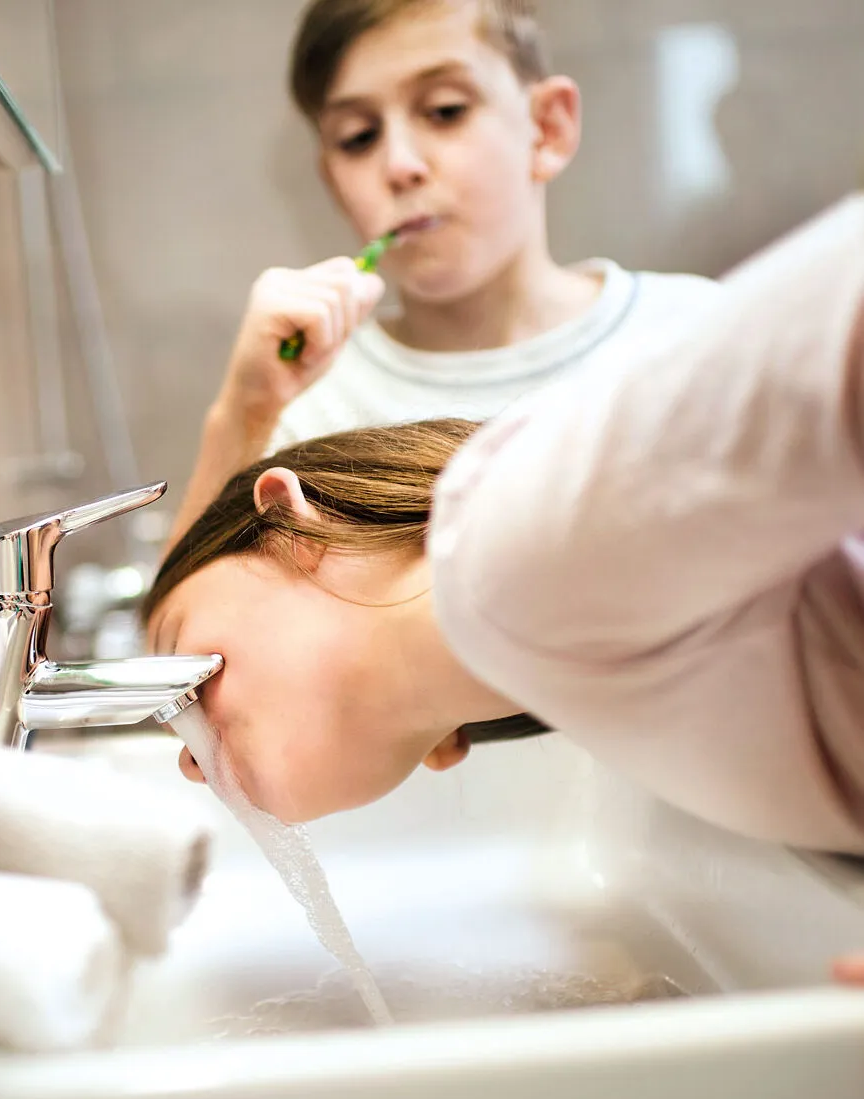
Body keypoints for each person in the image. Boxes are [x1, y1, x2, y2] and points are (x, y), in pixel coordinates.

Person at [144, 194, 864, 858]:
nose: (185, 752)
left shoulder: (507, 552)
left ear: (295, 531)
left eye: (181, 660)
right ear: (446, 747)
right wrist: (240, 414)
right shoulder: (554, 651)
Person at [168, 0, 718, 546]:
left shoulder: (698, 334)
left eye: (445, 110)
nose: (399, 165)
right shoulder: (304, 405)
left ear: (548, 127)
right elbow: (188, 605)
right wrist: (243, 414)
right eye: (359, 137)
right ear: (333, 182)